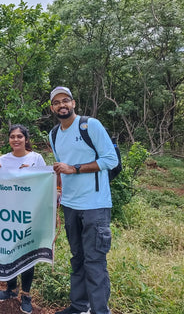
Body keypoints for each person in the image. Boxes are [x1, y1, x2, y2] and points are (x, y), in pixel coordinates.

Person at [49, 86, 118, 314]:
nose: (62, 105)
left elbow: (110, 160)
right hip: (70, 205)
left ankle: (100, 310)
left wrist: (75, 169)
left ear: (74, 103)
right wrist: (59, 188)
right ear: (52, 108)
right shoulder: (54, 134)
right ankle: (79, 306)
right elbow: (62, 166)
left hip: (95, 205)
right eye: (57, 102)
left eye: (65, 100)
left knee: (94, 261)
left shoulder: (90, 125)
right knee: (77, 258)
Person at [0, 124, 46, 314]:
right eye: (12, 137)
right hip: (8, 213)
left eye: (20, 137)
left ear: (26, 139)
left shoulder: (36, 158)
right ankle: (10, 289)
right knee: (9, 251)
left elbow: (44, 183)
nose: (16, 140)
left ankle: (26, 294)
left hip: (29, 214)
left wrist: (31, 174)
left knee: (27, 254)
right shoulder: (3, 159)